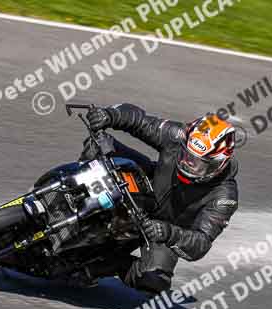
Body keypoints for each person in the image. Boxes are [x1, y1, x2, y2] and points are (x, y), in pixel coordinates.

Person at [79, 103, 239, 294]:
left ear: (218, 165)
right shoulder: (178, 136)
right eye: (187, 154)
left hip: (162, 230)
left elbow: (201, 243)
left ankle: (106, 264)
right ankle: (74, 196)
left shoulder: (224, 196)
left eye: (198, 163)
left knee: (154, 280)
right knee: (98, 143)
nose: (188, 163)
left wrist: (168, 233)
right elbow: (139, 120)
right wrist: (109, 115)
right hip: (145, 186)